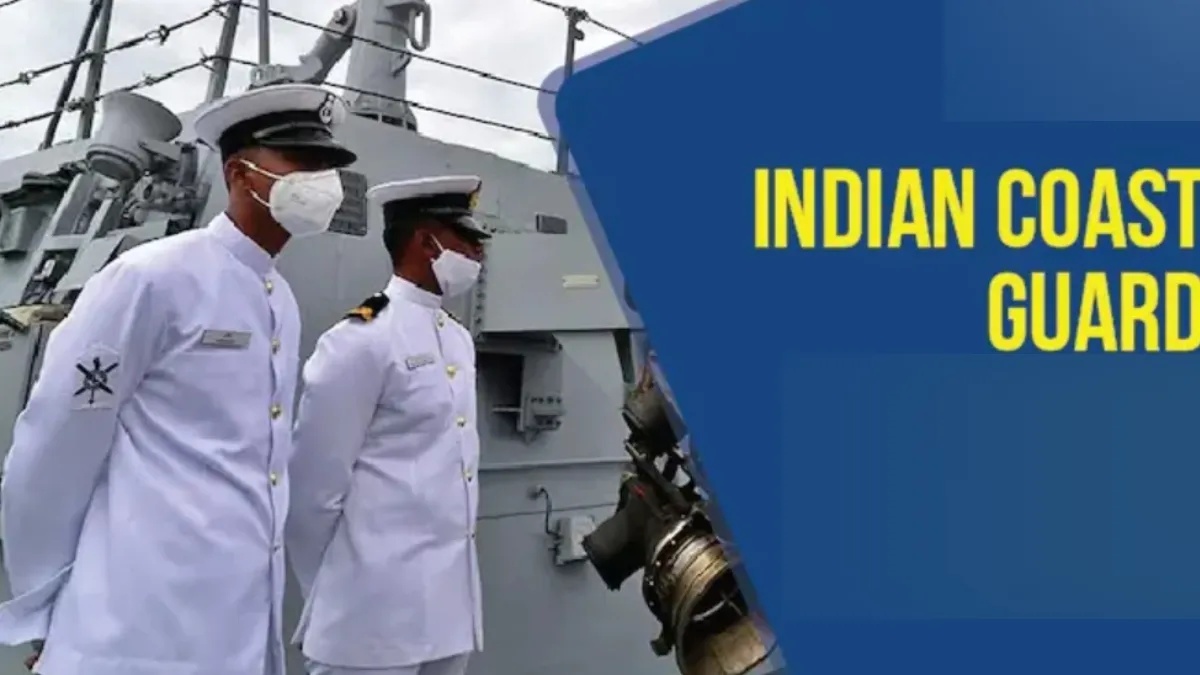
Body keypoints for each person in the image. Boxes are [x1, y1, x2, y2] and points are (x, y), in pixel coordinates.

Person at [0, 83, 357, 675]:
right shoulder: (151, 278)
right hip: (136, 626)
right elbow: (53, 451)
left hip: (233, 625)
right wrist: (45, 604)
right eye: (299, 161)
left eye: (325, 166)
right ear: (240, 173)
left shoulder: (279, 298)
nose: (319, 181)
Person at [287, 176, 490, 675]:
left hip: (447, 614)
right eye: (467, 239)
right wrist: (336, 589)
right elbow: (313, 489)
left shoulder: (457, 339)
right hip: (369, 619)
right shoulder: (361, 338)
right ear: (426, 242)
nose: (478, 253)